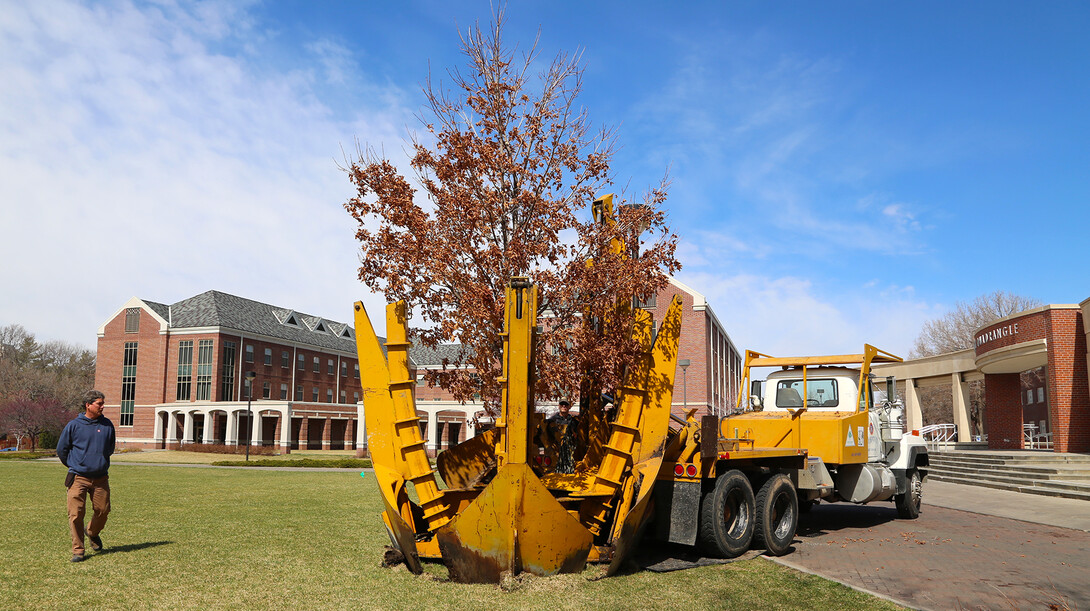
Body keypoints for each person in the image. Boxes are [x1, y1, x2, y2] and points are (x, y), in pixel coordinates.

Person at [57, 390, 115, 562]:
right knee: (75, 514)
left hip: (101, 478)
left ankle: (92, 532)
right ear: (88, 405)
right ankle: (78, 550)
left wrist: (99, 461)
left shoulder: (107, 425)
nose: (103, 406)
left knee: (103, 510)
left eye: (103, 403)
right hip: (78, 477)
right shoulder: (74, 425)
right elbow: (62, 450)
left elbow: (109, 448)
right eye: (99, 403)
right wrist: (75, 464)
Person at [548, 400, 579, 474]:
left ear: (569, 407)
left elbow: (577, 435)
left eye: (566, 404)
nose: (564, 406)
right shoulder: (552, 420)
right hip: (556, 453)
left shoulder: (573, 421)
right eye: (562, 404)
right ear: (559, 406)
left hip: (570, 453)